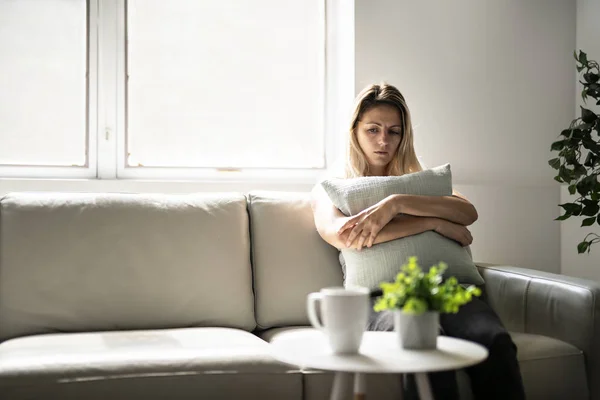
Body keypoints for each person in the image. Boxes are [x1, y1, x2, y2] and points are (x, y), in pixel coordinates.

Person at [310, 83, 526, 400]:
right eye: (373, 129)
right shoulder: (335, 185)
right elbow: (343, 234)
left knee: (494, 342)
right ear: (354, 130)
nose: (384, 140)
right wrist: (432, 223)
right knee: (424, 348)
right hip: (381, 299)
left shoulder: (420, 181)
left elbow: (467, 211)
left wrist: (395, 204)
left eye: (394, 131)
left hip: (444, 290)